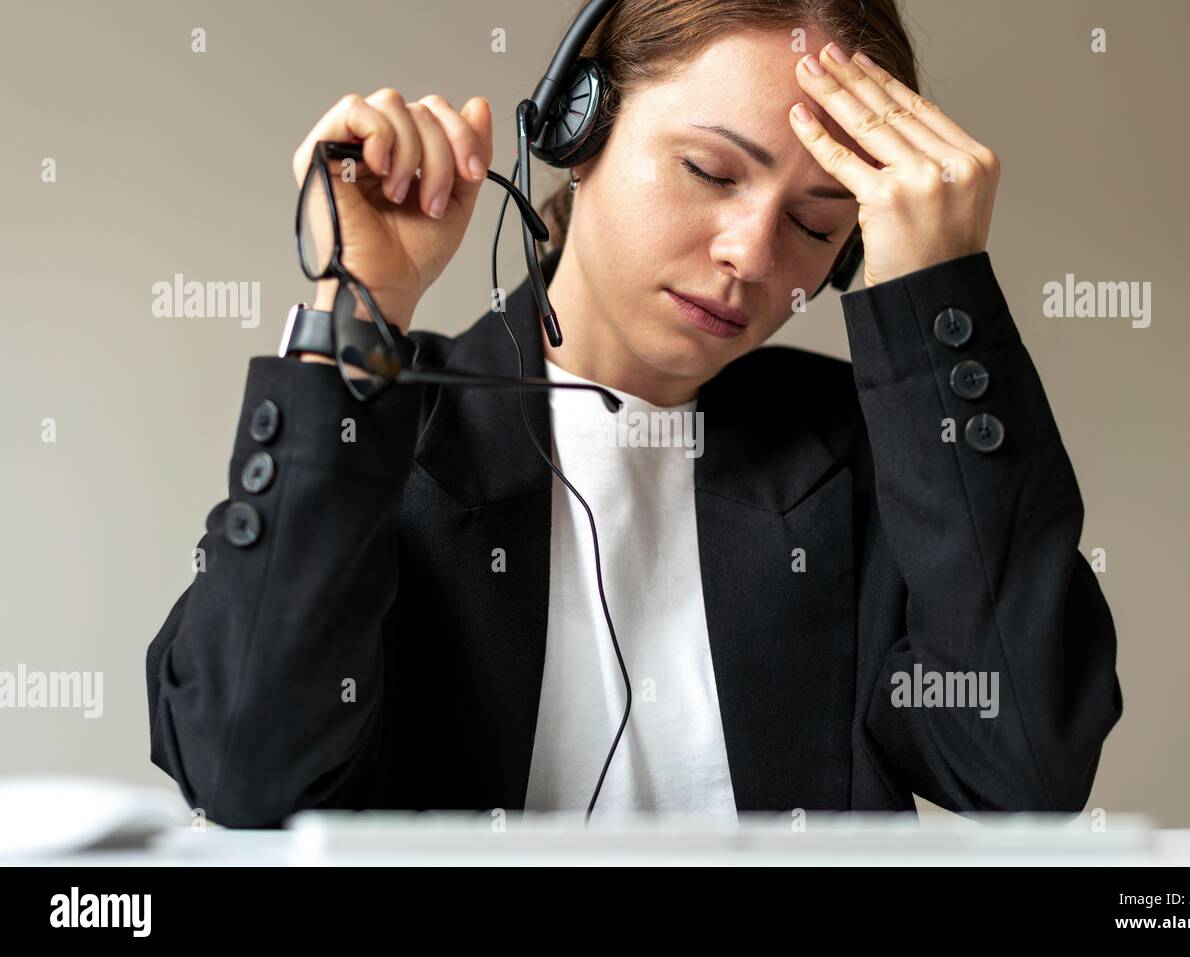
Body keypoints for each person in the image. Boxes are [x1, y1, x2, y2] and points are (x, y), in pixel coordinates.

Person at [146, 0, 1122, 828]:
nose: (750, 253)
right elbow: (244, 766)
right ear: (580, 128)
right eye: (709, 171)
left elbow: (1024, 765)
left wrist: (937, 305)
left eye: (818, 224)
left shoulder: (877, 459)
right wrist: (353, 308)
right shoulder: (380, 441)